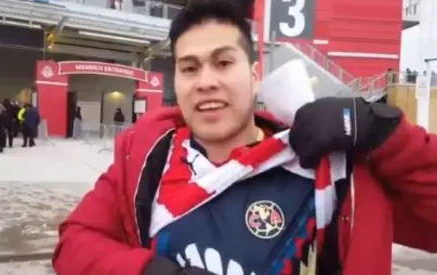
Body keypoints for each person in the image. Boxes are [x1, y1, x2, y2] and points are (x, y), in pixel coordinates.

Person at [53, 2, 437, 275]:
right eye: (189, 68)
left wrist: (387, 134)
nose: (206, 82)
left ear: (255, 75)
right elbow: (74, 244)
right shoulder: (144, 155)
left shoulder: (329, 170)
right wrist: (152, 271)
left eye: (223, 63)